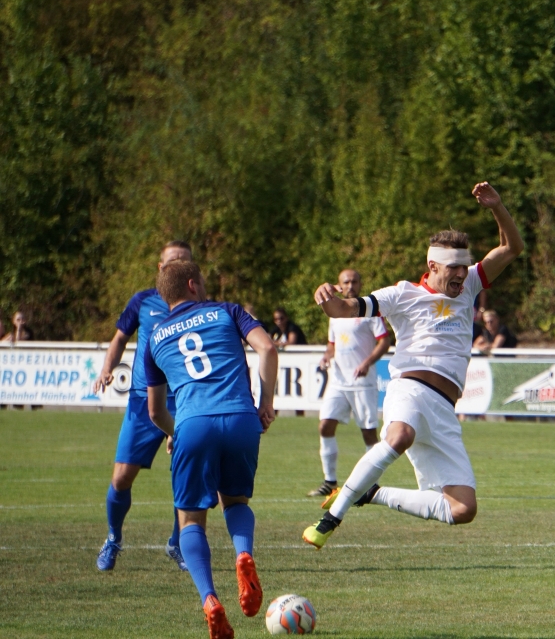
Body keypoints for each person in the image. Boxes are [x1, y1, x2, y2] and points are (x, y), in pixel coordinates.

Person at [302, 181, 522, 549]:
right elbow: (344, 309)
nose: (460, 273)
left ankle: (371, 493)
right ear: (431, 265)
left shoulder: (468, 284)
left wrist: (498, 207)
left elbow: (512, 248)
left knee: (462, 508)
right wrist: (325, 299)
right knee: (399, 436)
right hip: (409, 389)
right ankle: (329, 519)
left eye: (464, 266)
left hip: (444, 410)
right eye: (452, 267)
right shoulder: (403, 293)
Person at [145, 260, 278, 639]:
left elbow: (155, 410)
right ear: (192, 284)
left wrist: (175, 432)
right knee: (235, 502)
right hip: (239, 418)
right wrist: (264, 403)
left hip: (192, 424)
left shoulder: (154, 338)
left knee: (190, 521)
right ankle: (243, 555)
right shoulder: (226, 311)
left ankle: (210, 600)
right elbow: (267, 348)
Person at [92, 241, 193, 572]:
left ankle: (178, 544)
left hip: (185, 401)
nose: (178, 267)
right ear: (160, 268)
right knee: (121, 478)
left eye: (185, 262)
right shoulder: (143, 301)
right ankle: (113, 538)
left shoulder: (200, 305)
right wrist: (108, 368)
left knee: (186, 476)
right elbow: (120, 337)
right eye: (172, 262)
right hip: (142, 401)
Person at [309, 269, 391, 498]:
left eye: (355, 281)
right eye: (347, 281)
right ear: (340, 285)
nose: (351, 285)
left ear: (360, 283)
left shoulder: (369, 311)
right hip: (338, 381)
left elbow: (384, 342)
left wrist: (367, 362)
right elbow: (332, 344)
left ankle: (371, 484)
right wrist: (327, 356)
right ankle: (329, 482)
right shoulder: (334, 315)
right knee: (325, 425)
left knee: (368, 434)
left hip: (363, 382)